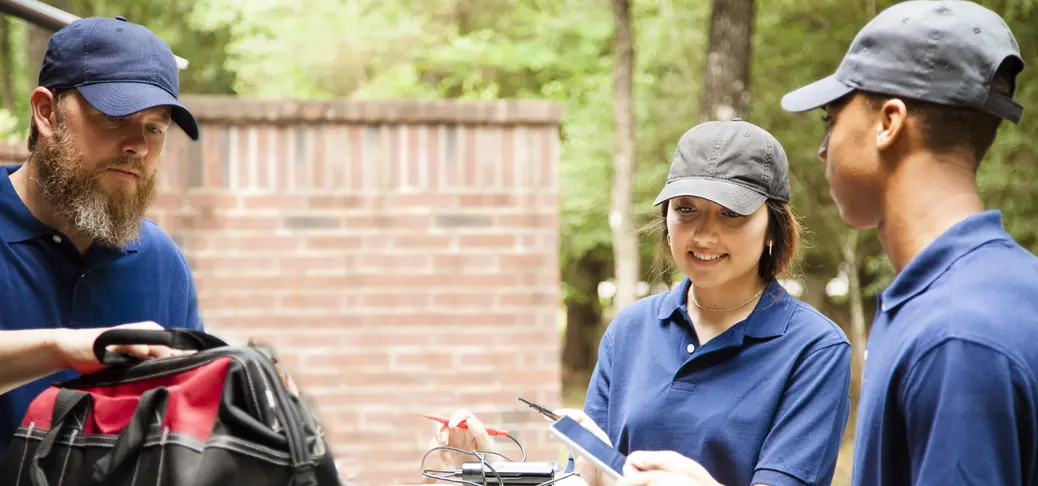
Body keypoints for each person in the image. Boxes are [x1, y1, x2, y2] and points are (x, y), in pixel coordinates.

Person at [433, 119, 852, 486]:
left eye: (730, 214)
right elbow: (587, 477)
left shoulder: (814, 349)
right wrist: (488, 465)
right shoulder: (631, 329)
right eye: (686, 210)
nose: (704, 235)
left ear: (772, 230)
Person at [778, 1, 1038, 485]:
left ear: (888, 123)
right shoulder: (992, 292)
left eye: (829, 120)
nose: (822, 149)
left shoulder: (956, 334)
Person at [0, 16, 203, 459]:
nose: (139, 146)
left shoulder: (160, 261)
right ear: (47, 112)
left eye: (155, 127)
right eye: (115, 116)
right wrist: (65, 349)